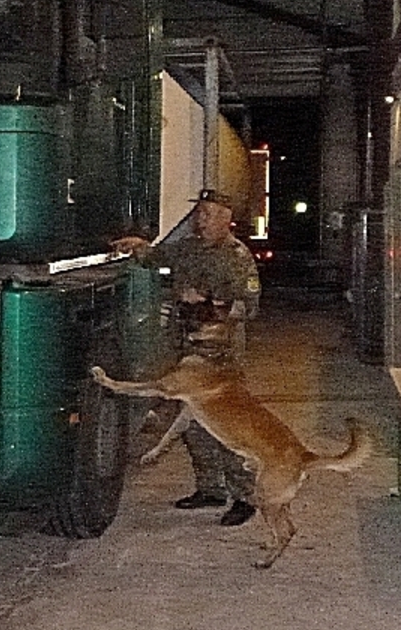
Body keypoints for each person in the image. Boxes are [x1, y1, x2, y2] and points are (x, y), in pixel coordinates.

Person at [111, 189, 261, 526]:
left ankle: (244, 497)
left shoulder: (237, 257)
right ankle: (209, 489)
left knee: (229, 429)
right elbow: (159, 258)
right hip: (188, 352)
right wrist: (139, 247)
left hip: (221, 359)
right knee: (193, 424)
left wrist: (205, 302)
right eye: (199, 213)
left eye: (209, 214)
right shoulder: (188, 249)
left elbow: (248, 307)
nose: (201, 220)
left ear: (226, 218)